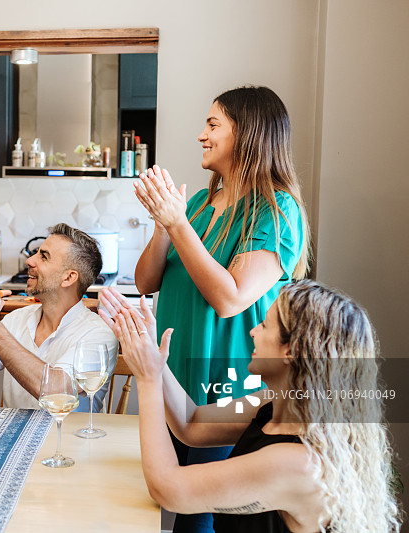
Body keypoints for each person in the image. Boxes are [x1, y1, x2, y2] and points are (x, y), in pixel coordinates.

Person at [133, 86, 310, 531]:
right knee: (148, 508)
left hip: (225, 390)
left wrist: (177, 224)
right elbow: (145, 281)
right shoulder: (196, 204)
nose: (201, 135)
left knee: (196, 520)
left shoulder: (276, 210)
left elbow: (230, 297)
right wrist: (163, 227)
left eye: (213, 125)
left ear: (247, 135)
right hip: (173, 384)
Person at [98, 282, 401, 533]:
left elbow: (168, 490)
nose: (253, 331)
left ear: (291, 351)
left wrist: (148, 380)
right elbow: (191, 424)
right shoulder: (275, 402)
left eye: (265, 324)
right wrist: (151, 354)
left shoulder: (299, 462)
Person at [0, 223, 117, 410]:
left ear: (69, 278)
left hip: (67, 438)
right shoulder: (17, 319)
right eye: (36, 253)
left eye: (44, 257)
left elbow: (55, 392)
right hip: (14, 436)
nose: (30, 261)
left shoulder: (99, 334)